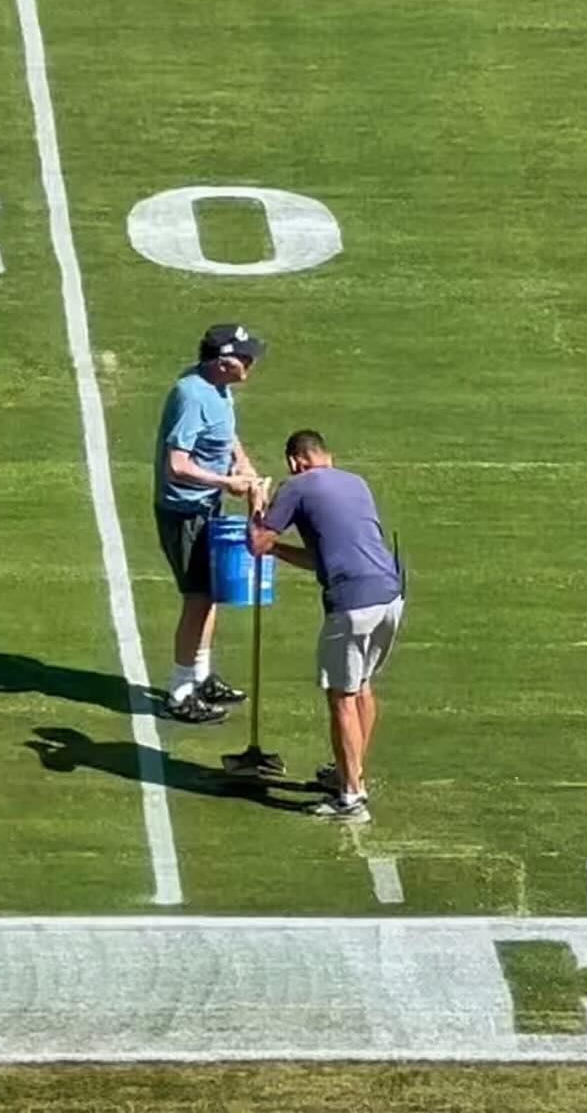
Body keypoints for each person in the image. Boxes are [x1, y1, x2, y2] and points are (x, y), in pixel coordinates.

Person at [248, 430, 404, 823]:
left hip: (352, 604)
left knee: (341, 698)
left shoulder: (296, 486)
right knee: (362, 687)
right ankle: (348, 773)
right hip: (390, 594)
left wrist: (256, 505)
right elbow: (326, 556)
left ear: (294, 462)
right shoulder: (356, 483)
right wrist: (279, 551)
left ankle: (351, 796)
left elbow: (256, 542)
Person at [153, 323, 266, 723]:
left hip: (207, 505)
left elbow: (224, 430)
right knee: (198, 598)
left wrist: (242, 460)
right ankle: (180, 691)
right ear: (223, 362)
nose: (251, 362)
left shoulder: (216, 387)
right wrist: (227, 482)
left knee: (211, 593)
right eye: (244, 357)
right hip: (186, 512)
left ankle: (200, 675)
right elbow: (177, 464)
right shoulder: (190, 395)